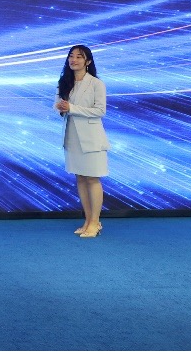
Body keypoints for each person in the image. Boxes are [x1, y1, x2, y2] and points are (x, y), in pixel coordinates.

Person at [53, 44, 109, 238]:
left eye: (79, 56)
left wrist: (72, 108)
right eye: (71, 56)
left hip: (91, 138)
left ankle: (95, 222)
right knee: (81, 178)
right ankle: (87, 221)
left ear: (88, 61)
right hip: (72, 137)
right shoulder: (64, 82)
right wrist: (61, 108)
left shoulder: (96, 83)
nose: (74, 60)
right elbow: (58, 105)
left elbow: (100, 111)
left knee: (92, 178)